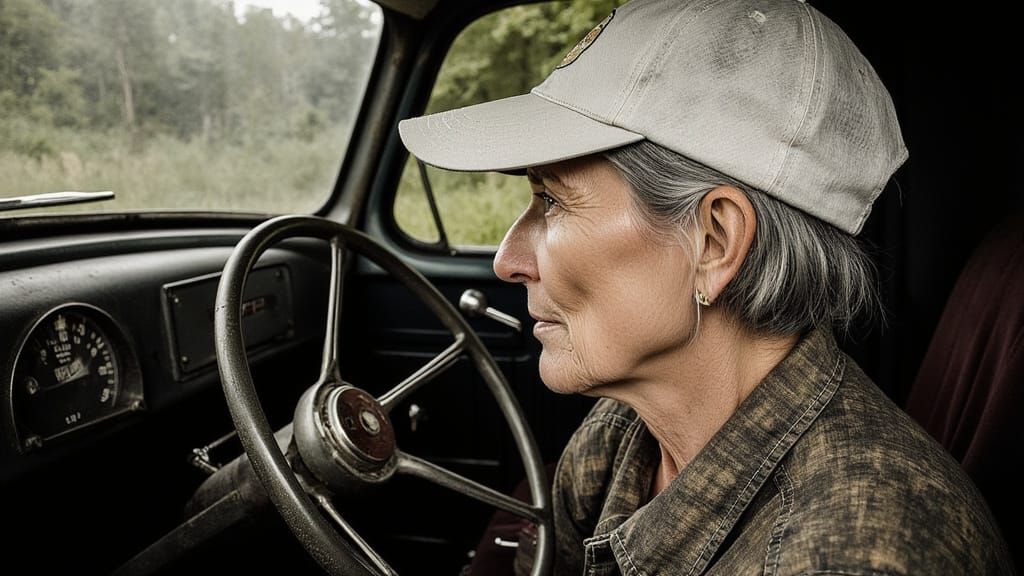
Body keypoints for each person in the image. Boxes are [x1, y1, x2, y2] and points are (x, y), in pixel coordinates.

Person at [399, 0, 1014, 574]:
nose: (507, 260)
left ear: (714, 243)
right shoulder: (627, 428)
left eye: (552, 200)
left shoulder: (854, 555)